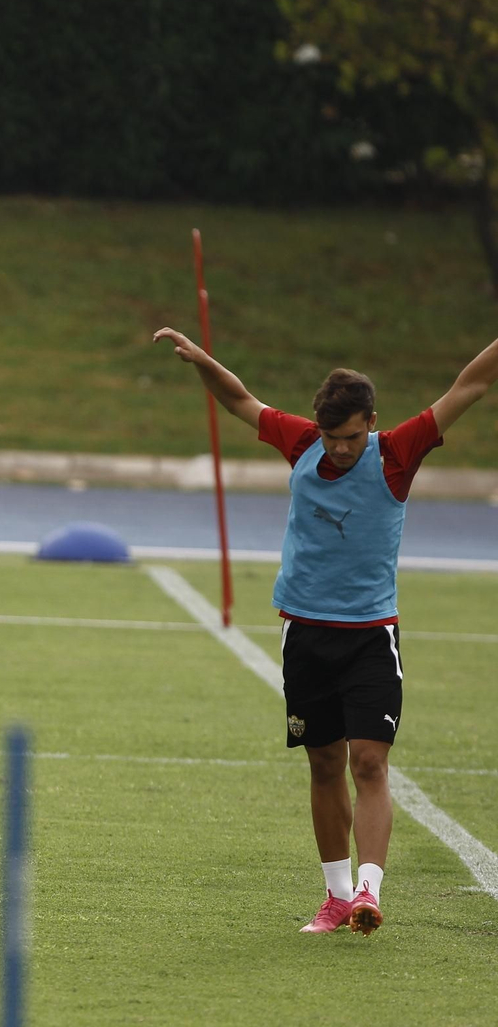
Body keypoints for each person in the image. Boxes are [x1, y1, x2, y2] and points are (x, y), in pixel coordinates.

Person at [154, 325, 498, 936]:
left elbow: (470, 384)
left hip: (370, 635)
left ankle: (369, 890)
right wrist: (203, 360)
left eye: (352, 436)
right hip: (306, 632)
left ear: (372, 421)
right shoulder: (303, 444)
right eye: (333, 438)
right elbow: (240, 399)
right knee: (322, 764)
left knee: (369, 762)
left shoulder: (397, 451)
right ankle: (337, 896)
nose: (341, 449)